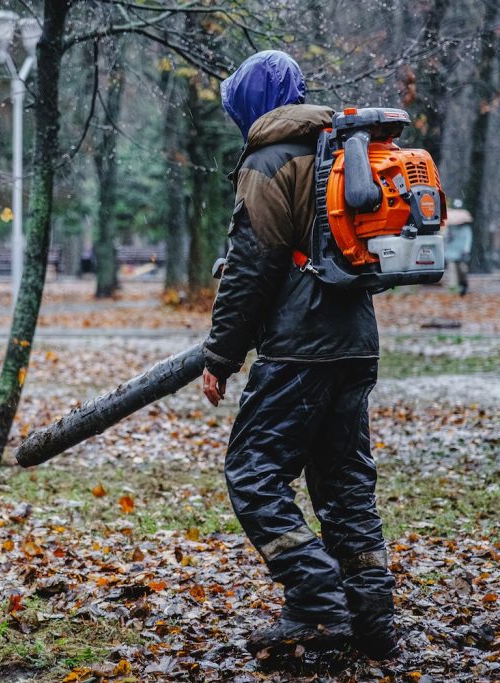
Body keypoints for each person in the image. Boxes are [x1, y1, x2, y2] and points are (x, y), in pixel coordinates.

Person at [200, 50, 398, 662]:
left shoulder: (269, 157)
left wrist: (220, 357)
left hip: (298, 351)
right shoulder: (342, 148)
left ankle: (318, 608)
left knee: (253, 474)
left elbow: (254, 270)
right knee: (344, 487)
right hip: (353, 346)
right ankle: (372, 622)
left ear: (249, 104)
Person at [444, 205, 473, 296]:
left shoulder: (466, 229)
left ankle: (463, 285)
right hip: (451, 252)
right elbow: (446, 239)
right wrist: (449, 237)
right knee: (452, 270)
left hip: (462, 253)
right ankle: (452, 287)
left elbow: (468, 239)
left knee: (462, 271)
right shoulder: (450, 228)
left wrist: (466, 250)